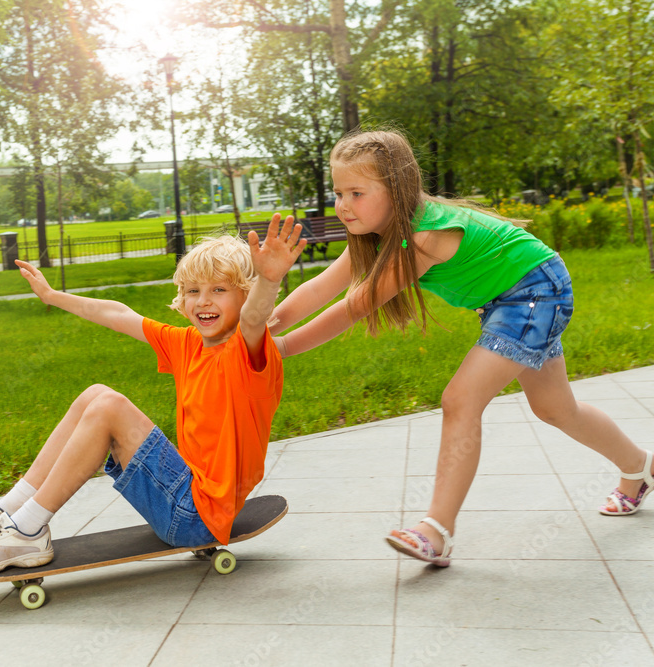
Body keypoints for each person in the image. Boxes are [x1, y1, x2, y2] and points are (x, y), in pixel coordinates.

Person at [269, 129, 651, 567]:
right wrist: (261, 324)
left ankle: (437, 531)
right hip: (514, 295)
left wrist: (279, 349)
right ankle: (641, 468)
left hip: (535, 291)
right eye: (338, 192)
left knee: (460, 399)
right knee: (555, 408)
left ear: (396, 189)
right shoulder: (379, 234)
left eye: (357, 192)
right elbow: (321, 288)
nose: (343, 205)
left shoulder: (425, 236)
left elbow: (353, 307)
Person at [0, 217, 306, 573]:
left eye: (219, 290)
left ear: (245, 295)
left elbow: (255, 318)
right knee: (95, 394)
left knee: (110, 406)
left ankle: (27, 531)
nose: (203, 302)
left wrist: (270, 280)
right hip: (182, 498)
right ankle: (8, 511)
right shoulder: (188, 343)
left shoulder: (247, 351)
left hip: (197, 518)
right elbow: (118, 314)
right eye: (193, 291)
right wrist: (52, 296)